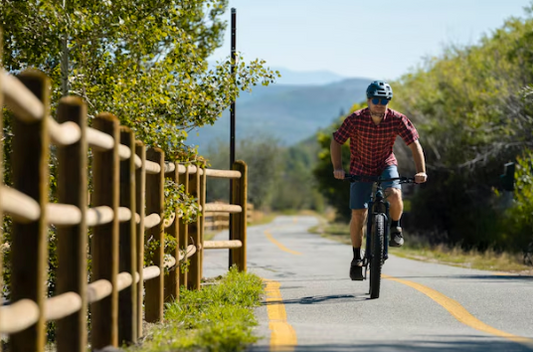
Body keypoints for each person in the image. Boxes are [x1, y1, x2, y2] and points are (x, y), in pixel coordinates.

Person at [330, 80, 427, 280]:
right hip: (360, 167)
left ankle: (395, 227)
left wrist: (421, 171)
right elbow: (337, 140)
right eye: (376, 99)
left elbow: (414, 144)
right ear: (368, 100)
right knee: (358, 214)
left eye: (384, 100)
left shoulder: (397, 119)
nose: (380, 103)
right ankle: (357, 258)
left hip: (386, 164)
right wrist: (337, 167)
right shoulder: (355, 119)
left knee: (395, 193)